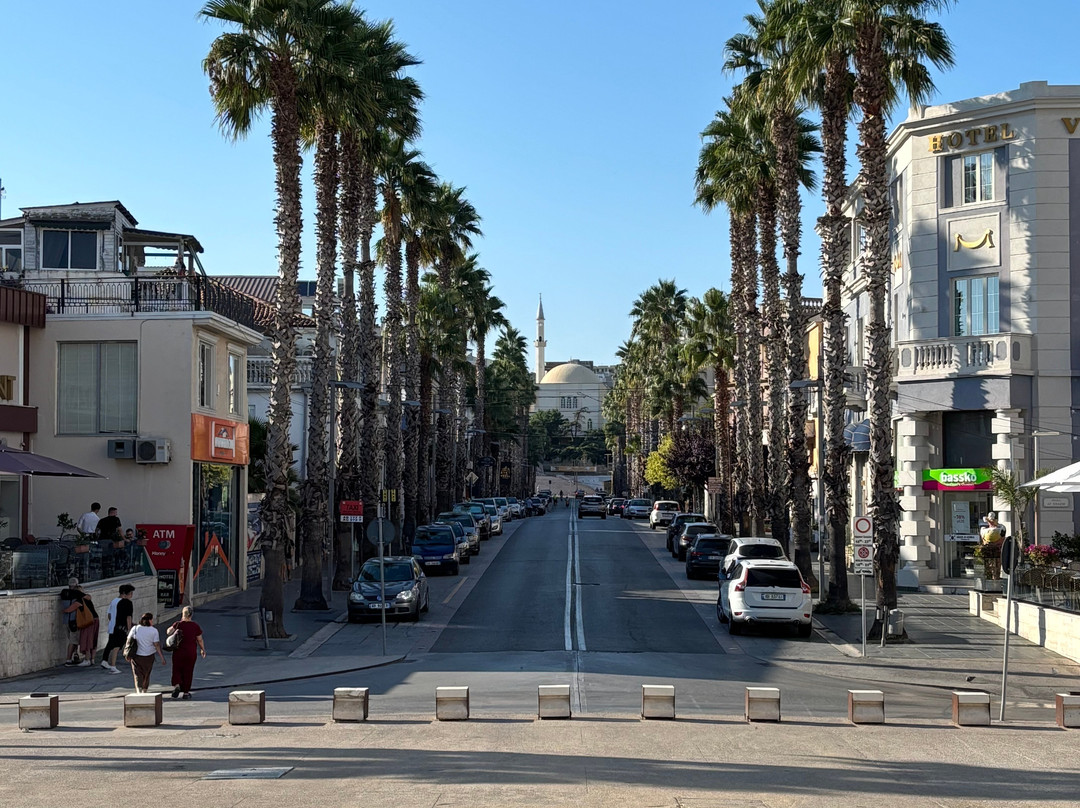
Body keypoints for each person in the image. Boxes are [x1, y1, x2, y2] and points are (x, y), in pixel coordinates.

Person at [166, 606, 206, 700]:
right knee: (188, 671)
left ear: (182, 614)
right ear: (191, 615)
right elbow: (200, 639)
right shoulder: (195, 626)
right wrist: (202, 649)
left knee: (176, 669)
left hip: (178, 652)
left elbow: (168, 632)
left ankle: (177, 685)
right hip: (190, 652)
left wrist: (175, 626)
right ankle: (186, 693)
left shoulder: (178, 624)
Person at [127, 612, 166, 693]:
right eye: (152, 620)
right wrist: (162, 657)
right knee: (146, 674)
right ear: (149, 620)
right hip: (149, 656)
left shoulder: (135, 629)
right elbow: (156, 645)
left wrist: (127, 653)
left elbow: (128, 641)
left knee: (137, 674)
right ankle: (144, 690)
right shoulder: (154, 631)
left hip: (136, 655)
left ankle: (139, 690)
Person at [101, 584, 135, 674]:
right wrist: (129, 629)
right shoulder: (128, 603)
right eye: (130, 593)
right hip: (122, 627)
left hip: (114, 626)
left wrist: (112, 622)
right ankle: (113, 665)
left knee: (111, 644)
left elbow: (109, 615)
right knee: (117, 646)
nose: (131, 595)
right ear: (125, 594)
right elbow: (128, 617)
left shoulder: (115, 601)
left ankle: (106, 661)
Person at [60, 578, 85, 666]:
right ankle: (69, 659)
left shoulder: (64, 592)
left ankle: (75, 655)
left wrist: (66, 610)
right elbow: (87, 598)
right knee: (73, 641)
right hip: (74, 620)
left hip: (65, 620)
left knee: (72, 639)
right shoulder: (77, 594)